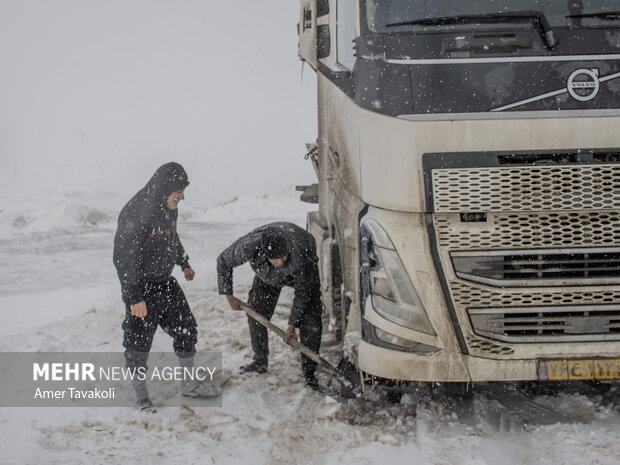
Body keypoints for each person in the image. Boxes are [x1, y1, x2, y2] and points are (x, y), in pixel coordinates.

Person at [113, 162, 220, 411]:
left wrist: (183, 262)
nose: (183, 196)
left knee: (186, 329)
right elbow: (123, 259)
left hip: (165, 283)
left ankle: (189, 386)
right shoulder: (135, 212)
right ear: (165, 189)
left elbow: (171, 235)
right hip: (142, 288)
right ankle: (141, 398)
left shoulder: (169, 207)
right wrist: (133, 297)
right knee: (137, 344)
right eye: (179, 191)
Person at [217, 222, 323, 390]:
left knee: (310, 318)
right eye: (275, 258)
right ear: (265, 253)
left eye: (283, 257)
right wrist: (229, 295)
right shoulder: (248, 246)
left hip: (302, 273)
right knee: (256, 312)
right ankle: (259, 361)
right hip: (267, 274)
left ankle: (310, 372)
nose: (280, 262)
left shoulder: (301, 255)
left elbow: (303, 291)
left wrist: (292, 323)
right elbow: (223, 261)